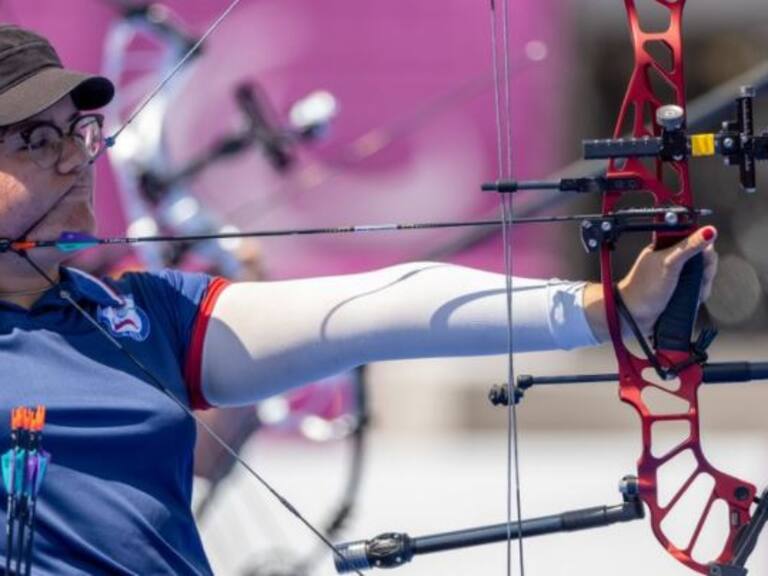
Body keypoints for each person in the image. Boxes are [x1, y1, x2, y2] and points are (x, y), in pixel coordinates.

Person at [0, 24, 717, 576]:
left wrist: (607, 309)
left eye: (79, 132)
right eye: (36, 139)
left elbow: (376, 308)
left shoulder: (144, 314)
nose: (74, 159)